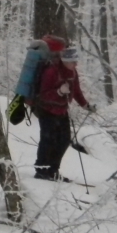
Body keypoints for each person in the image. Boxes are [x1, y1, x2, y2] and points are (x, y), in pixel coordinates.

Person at [33, 45, 94, 181]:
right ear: (65, 61)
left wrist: (85, 105)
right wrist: (59, 92)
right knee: (48, 140)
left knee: (64, 141)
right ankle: (41, 170)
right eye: (73, 61)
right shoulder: (51, 72)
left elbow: (76, 91)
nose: (76, 64)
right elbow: (43, 95)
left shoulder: (73, 73)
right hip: (47, 111)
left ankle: (53, 170)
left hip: (62, 111)